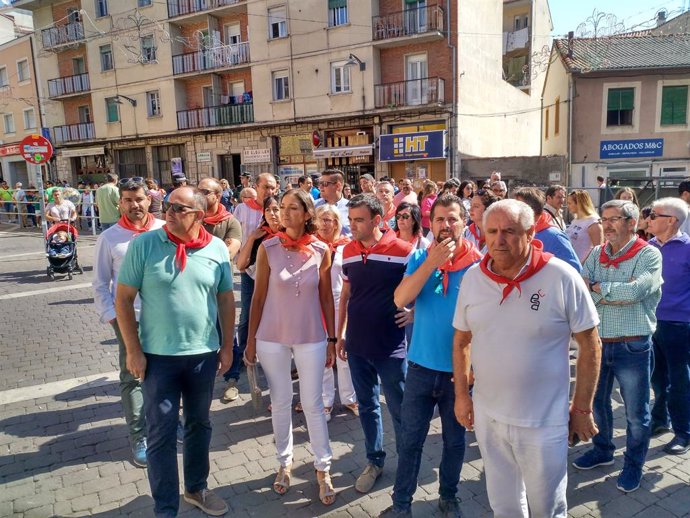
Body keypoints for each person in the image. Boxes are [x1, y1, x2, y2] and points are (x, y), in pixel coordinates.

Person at [453, 199, 601, 518]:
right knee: (503, 505)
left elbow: (590, 344)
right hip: (489, 417)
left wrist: (583, 408)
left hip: (544, 422)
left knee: (547, 507)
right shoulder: (472, 279)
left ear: (531, 232)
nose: (498, 239)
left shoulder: (561, 276)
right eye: (491, 231)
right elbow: (461, 339)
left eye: (509, 231)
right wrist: (462, 396)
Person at [115, 186, 235, 517]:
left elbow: (225, 299)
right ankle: (166, 508)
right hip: (158, 358)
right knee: (161, 433)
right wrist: (132, 350)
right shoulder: (144, 244)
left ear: (199, 215)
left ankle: (196, 488)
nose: (168, 212)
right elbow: (123, 299)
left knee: (199, 424)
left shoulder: (217, 250)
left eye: (179, 208)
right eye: (167, 205)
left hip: (202, 356)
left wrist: (227, 347)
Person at [381, 195, 482, 518]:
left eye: (452, 219)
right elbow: (400, 299)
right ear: (430, 223)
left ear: (464, 223)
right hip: (421, 368)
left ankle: (448, 496)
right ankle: (401, 503)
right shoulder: (421, 257)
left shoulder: (479, 265)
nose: (445, 225)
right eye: (439, 219)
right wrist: (430, 263)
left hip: (459, 373)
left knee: (454, 443)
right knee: (410, 441)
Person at [244, 189, 337, 505]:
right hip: (271, 336)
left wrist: (333, 339)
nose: (283, 213)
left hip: (311, 335)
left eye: (291, 208)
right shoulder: (267, 248)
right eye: (281, 207)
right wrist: (250, 341)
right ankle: (283, 462)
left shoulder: (322, 250)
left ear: (307, 214)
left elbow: (326, 297)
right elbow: (257, 298)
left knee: (312, 403)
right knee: (281, 401)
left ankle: (323, 467)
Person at [574, 200, 662, 493]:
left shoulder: (649, 255)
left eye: (614, 219)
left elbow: (636, 292)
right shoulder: (597, 253)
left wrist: (598, 288)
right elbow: (581, 287)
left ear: (631, 223)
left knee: (637, 414)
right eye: (604, 218)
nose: (607, 224)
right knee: (597, 404)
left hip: (633, 345)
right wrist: (605, 290)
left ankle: (633, 465)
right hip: (598, 344)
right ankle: (603, 450)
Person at [336, 194, 413, 494]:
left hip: (391, 348)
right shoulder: (348, 251)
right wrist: (339, 333)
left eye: (358, 220)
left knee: (399, 409)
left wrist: (414, 313)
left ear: (377, 220)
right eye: (351, 219)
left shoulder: (404, 250)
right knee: (368, 407)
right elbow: (346, 295)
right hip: (356, 345)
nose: (351, 225)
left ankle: (408, 463)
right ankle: (375, 461)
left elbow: (427, 290)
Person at [92, 178, 165, 468]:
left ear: (149, 200)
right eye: (128, 200)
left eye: (139, 199)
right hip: (128, 320)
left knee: (166, 375)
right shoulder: (109, 238)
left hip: (165, 319)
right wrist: (112, 317)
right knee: (133, 377)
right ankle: (139, 436)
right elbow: (99, 283)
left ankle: (168, 424)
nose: (135, 205)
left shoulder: (164, 230)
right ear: (120, 203)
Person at [222, 173, 277, 403]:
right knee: (247, 315)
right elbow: (234, 237)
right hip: (248, 271)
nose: (270, 191)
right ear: (256, 187)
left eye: (273, 188)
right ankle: (245, 353)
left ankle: (270, 357)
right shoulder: (242, 210)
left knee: (272, 315)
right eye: (266, 187)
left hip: (273, 273)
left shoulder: (277, 207)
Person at [647, 198, 690, 455]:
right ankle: (660, 419)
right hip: (650, 322)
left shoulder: (688, 248)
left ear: (672, 220)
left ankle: (683, 432)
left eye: (654, 214)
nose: (649, 218)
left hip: (679, 325)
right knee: (656, 377)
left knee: (679, 380)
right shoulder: (648, 247)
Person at [314, 205, 358, 419]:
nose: (324, 224)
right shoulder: (311, 245)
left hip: (341, 303)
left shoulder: (346, 246)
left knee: (343, 351)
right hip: (317, 304)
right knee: (323, 352)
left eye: (328, 219)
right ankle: (325, 401)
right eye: (321, 219)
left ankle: (350, 398)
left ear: (337, 223)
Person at [512, 187, 581, 272]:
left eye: (517, 208)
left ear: (531, 210)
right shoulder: (515, 233)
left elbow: (574, 271)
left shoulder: (555, 237)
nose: (512, 211)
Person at [198, 178, 242, 260]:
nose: (199, 195)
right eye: (197, 192)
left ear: (218, 196)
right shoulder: (192, 219)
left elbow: (227, 254)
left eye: (205, 192)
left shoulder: (231, 222)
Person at [566, 190, 603, 263]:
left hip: (583, 267)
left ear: (579, 204)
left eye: (570, 203)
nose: (568, 206)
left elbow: (598, 249)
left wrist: (583, 265)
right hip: (571, 263)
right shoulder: (576, 220)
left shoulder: (593, 222)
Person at [315, 169, 351, 236]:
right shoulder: (314, 206)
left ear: (338, 186)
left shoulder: (351, 207)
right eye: (320, 183)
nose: (320, 187)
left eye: (324, 184)